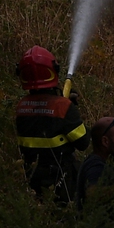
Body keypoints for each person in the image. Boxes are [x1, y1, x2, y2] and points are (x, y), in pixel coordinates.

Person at [12, 46, 87, 201]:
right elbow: (83, 142)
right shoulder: (62, 107)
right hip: (61, 179)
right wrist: (71, 111)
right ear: (53, 71)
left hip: (32, 177)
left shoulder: (21, 106)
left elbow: (43, 116)